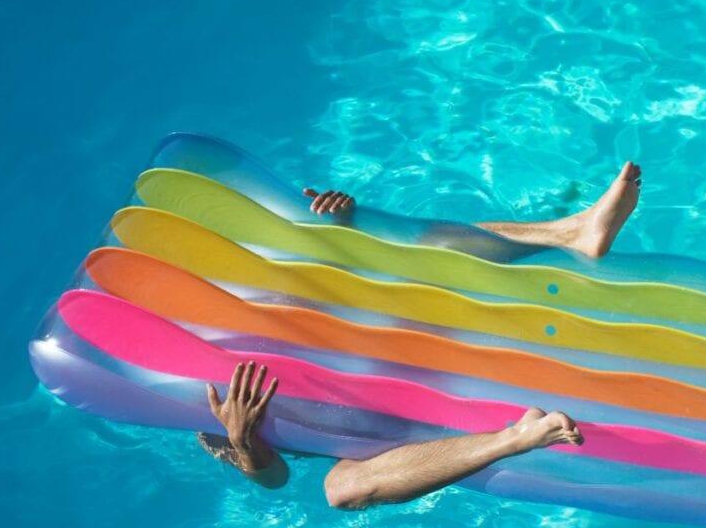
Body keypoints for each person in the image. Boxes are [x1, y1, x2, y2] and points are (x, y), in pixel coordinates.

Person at [200, 161, 643, 508]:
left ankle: (573, 233)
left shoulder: (249, 282)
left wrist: (346, 223)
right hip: (364, 424)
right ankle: (515, 437)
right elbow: (275, 481)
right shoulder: (185, 380)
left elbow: (344, 270)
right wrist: (242, 443)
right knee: (342, 490)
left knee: (431, 249)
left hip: (389, 346)